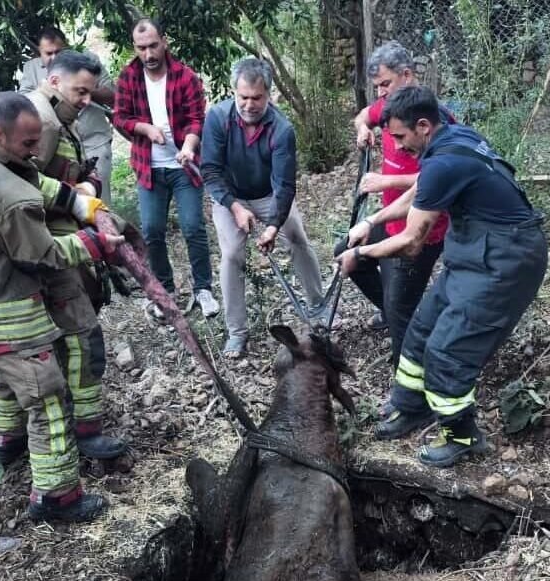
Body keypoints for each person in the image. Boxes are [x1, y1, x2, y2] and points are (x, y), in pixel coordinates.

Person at [0, 92, 129, 521]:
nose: (37, 152)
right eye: (27, 145)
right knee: (47, 394)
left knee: (13, 374)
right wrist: (94, 242)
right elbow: (43, 256)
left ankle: (8, 444)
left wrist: (80, 202)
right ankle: (57, 498)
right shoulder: (7, 198)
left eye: (39, 141)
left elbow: (29, 176)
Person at [336, 86, 548, 468]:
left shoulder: (445, 161)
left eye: (400, 137)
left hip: (507, 261)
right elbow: (421, 191)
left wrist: (360, 253)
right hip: (474, 252)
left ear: (423, 126)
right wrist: (371, 221)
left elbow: (412, 241)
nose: (397, 148)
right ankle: (411, 407)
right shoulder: (450, 135)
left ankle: (463, 436)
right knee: (421, 330)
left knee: (448, 351)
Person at [25, 51, 127, 458]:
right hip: (51, 251)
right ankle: (87, 433)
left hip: (52, 245)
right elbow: (28, 193)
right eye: (79, 91)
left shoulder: (54, 115)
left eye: (89, 92)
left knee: (43, 347)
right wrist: (79, 199)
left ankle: (8, 443)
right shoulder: (45, 123)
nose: (86, 100)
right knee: (84, 336)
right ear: (53, 81)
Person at [201, 57, 326, 359]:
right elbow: (210, 172)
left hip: (269, 194)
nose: (249, 104)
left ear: (269, 94)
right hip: (230, 196)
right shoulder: (217, 118)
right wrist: (234, 207)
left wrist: (272, 226)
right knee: (231, 255)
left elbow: (284, 186)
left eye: (256, 98)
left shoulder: (282, 129)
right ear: (234, 92)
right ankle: (236, 332)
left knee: (296, 237)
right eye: (243, 97)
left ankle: (318, 308)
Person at [343, 41, 452, 374]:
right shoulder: (388, 105)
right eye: (377, 87)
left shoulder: (434, 121)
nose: (381, 94)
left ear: (407, 75)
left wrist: (385, 182)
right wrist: (363, 128)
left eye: (386, 84)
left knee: (400, 307)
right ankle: (398, 315)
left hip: (421, 226)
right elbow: (363, 115)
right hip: (390, 217)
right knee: (348, 253)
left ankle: (407, 383)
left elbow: (437, 178)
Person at [113, 18, 218, 319]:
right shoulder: (129, 77)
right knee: (152, 230)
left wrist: (189, 146)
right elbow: (120, 118)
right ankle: (165, 290)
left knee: (192, 227)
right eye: (141, 48)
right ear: (135, 47)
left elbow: (197, 118)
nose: (148, 54)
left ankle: (203, 289)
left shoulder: (185, 76)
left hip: (182, 166)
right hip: (149, 168)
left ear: (164, 41)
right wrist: (144, 128)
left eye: (153, 46)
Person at [19, 27, 117, 205]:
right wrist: (74, 202)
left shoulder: (66, 112)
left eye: (60, 51)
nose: (55, 57)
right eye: (49, 53)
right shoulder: (45, 121)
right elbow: (25, 178)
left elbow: (112, 95)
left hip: (94, 141)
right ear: (54, 82)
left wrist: (89, 186)